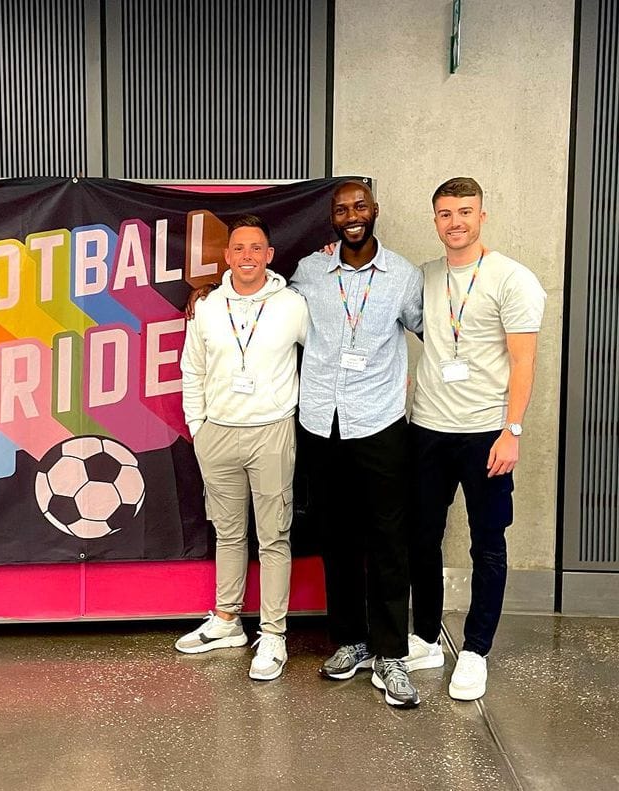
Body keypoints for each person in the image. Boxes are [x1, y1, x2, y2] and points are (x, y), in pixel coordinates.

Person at [408, 177, 546, 701]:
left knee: (488, 542)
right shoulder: (424, 276)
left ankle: (475, 650)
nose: (455, 222)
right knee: (422, 537)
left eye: (465, 211)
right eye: (445, 213)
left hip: (488, 433)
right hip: (427, 430)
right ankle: (424, 637)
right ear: (436, 220)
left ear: (482, 216)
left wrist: (512, 431)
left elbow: (523, 359)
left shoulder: (513, 279)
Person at [291, 180, 423, 708]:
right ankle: (351, 641)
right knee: (337, 537)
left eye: (360, 206)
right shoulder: (309, 271)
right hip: (323, 423)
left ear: (375, 210)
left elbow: (426, 333)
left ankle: (391, 653)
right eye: (342, 209)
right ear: (332, 217)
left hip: (380, 423)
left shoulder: (404, 276)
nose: (352, 216)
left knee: (389, 541)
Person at [175, 215, 309, 681]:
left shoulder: (292, 304)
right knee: (228, 534)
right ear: (227, 256)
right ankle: (227, 620)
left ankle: (273, 634)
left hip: (272, 432)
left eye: (257, 248)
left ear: (269, 256)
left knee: (273, 537)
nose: (248, 256)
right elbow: (191, 370)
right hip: (218, 434)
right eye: (239, 249)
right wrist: (199, 426)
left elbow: (321, 358)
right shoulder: (208, 308)